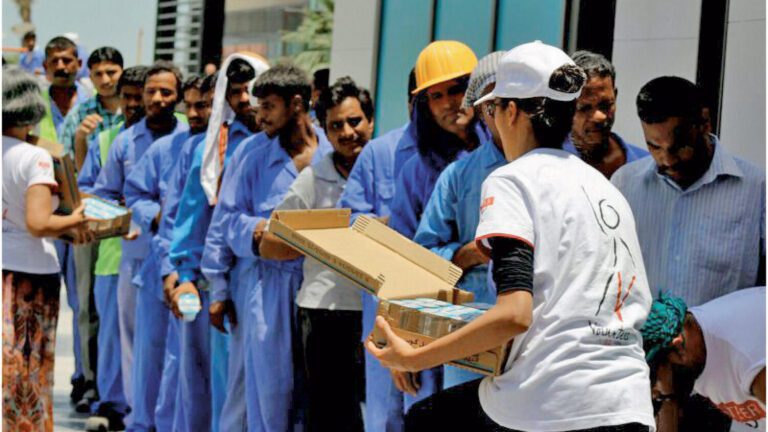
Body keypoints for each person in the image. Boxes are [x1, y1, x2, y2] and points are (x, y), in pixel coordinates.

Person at [368, 41, 655, 432]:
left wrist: (414, 357)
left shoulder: (511, 180)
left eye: (494, 106)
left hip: (551, 401)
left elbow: (514, 314)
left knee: (424, 419)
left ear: (511, 111)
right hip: (628, 402)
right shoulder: (606, 187)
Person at [213, 62, 332, 431]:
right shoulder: (251, 153)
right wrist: (261, 233)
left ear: (295, 104)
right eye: (258, 105)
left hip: (324, 289)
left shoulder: (331, 151)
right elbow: (226, 219)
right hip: (267, 287)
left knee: (317, 389)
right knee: (268, 393)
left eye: (268, 106)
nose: (259, 115)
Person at [259, 76, 374, 431]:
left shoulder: (387, 167)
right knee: (329, 413)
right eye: (336, 126)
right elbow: (269, 243)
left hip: (378, 310)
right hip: (326, 312)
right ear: (325, 131)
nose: (347, 132)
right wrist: (322, 239)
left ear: (370, 121)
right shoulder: (313, 179)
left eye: (354, 121)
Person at [168, 53, 268, 432]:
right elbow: (192, 217)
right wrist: (185, 275)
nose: (244, 100)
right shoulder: (212, 147)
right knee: (218, 385)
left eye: (250, 90)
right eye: (236, 92)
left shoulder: (290, 144)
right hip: (223, 280)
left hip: (279, 280)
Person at [386, 39, 482, 419]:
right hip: (432, 322)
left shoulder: (511, 153)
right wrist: (399, 337)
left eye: (455, 90)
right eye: (435, 96)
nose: (447, 104)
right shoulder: (416, 171)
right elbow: (401, 261)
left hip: (502, 318)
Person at [91, 60, 188, 432]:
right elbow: (101, 196)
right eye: (151, 92)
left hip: (182, 265)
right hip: (135, 261)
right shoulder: (125, 142)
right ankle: (139, 420)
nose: (157, 99)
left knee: (180, 349)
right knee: (137, 348)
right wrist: (127, 221)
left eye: (166, 92)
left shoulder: (191, 137)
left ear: (178, 97)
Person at [611, 76, 765, 307]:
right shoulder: (624, 185)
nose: (667, 159)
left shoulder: (757, 189)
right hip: (637, 331)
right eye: (654, 147)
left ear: (704, 123)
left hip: (719, 332)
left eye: (679, 146)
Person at [2, 66, 94, 432]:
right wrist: (76, 218)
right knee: (27, 373)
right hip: (30, 275)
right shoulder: (34, 157)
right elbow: (39, 223)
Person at [412, 51, 507, 390]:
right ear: (481, 106)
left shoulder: (562, 169)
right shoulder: (457, 174)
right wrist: (468, 254)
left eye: (455, 90)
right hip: (471, 329)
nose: (506, 113)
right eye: (493, 104)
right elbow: (420, 259)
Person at [124, 75, 212, 431]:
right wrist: (155, 216)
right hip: (159, 268)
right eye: (188, 105)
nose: (193, 113)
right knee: (150, 355)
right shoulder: (166, 149)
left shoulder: (224, 149)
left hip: (197, 275)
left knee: (183, 363)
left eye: (201, 105)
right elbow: (135, 194)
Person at [336, 67, 420, 432]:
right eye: (431, 96)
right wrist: (392, 226)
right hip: (385, 307)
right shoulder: (380, 153)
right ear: (411, 101)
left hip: (445, 307)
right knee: (385, 414)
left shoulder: (468, 153)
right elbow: (349, 224)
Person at [78, 65, 148, 432]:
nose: (135, 104)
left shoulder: (182, 134)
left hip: (161, 257)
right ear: (119, 99)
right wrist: (117, 211)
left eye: (140, 97)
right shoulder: (107, 141)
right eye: (128, 97)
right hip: (112, 256)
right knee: (112, 338)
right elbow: (87, 193)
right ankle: (112, 405)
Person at [58, 46, 126, 412]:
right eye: (98, 73)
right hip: (90, 219)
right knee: (87, 303)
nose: (105, 79)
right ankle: (89, 380)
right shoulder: (81, 114)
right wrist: (81, 140)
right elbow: (75, 176)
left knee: (121, 307)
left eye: (111, 72)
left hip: (127, 224)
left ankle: (120, 385)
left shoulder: (135, 109)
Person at [38, 34, 93, 408]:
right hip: (40, 216)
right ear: (45, 67)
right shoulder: (31, 104)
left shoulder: (92, 105)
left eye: (67, 60)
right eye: (55, 61)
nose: (61, 66)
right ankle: (37, 377)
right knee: (40, 301)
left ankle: (83, 377)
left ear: (78, 65)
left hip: (79, 216)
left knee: (82, 302)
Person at [641, 288, 766, 431]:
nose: (653, 390)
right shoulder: (692, 344)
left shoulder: (749, 358)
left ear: (679, 348)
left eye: (652, 375)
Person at [564, 50, 648, 178]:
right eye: (585, 108)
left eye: (606, 105)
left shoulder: (646, 165)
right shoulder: (547, 164)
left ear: (615, 96)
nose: (599, 117)